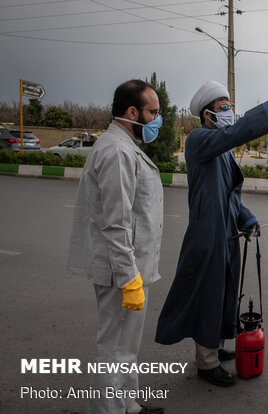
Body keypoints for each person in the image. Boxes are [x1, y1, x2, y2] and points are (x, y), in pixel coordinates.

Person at [155, 81, 268, 387]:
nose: (229, 112)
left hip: (226, 230)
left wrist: (246, 218)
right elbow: (232, 135)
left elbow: (230, 195)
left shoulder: (222, 152)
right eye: (223, 107)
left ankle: (216, 346)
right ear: (207, 114)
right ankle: (207, 363)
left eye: (229, 106)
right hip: (207, 233)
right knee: (209, 295)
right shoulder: (199, 140)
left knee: (224, 293)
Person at [67, 80, 165, 414]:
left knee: (126, 345)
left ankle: (128, 404)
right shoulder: (116, 151)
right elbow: (115, 222)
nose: (157, 119)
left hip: (130, 268)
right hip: (120, 271)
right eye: (153, 112)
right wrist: (128, 277)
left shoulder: (125, 147)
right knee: (112, 348)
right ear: (132, 112)